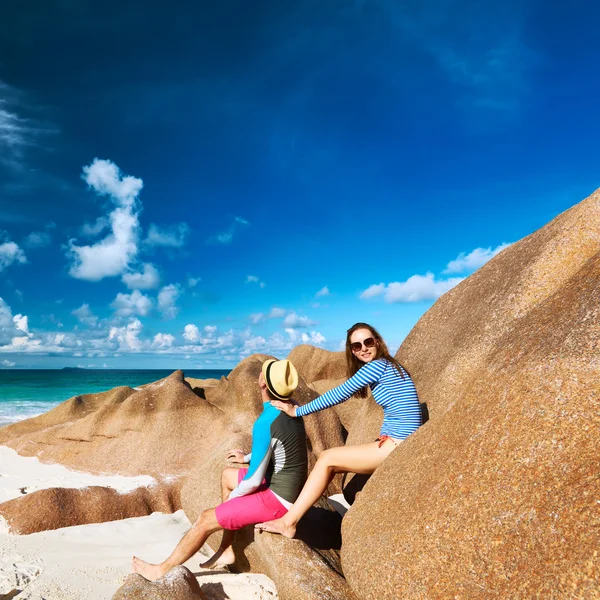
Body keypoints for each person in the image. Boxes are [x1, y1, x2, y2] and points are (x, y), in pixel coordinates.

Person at [132, 359, 308, 581]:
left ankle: (161, 570)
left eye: (262, 373)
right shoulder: (290, 407)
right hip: (285, 486)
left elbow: (254, 481)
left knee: (206, 519)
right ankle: (226, 548)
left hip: (279, 500)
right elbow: (277, 444)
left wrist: (235, 498)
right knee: (227, 475)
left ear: (263, 382)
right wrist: (247, 457)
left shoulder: (266, 421)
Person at [255, 322, 421, 538]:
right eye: (356, 346)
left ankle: (289, 522)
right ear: (351, 350)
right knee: (332, 459)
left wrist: (297, 411)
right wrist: (388, 430)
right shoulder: (390, 366)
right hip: (401, 439)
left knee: (326, 459)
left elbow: (339, 394)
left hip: (399, 443)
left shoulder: (377, 366)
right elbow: (400, 407)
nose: (363, 348)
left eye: (368, 342)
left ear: (377, 342)